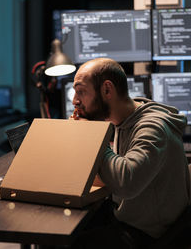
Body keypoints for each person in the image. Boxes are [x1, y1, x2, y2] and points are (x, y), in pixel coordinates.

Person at [70, 57, 190, 249]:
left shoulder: (153, 128)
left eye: (81, 91)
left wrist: (92, 137)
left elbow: (126, 182)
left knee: (68, 241)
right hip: (126, 218)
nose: (75, 101)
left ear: (107, 90)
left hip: (150, 235)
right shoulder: (122, 122)